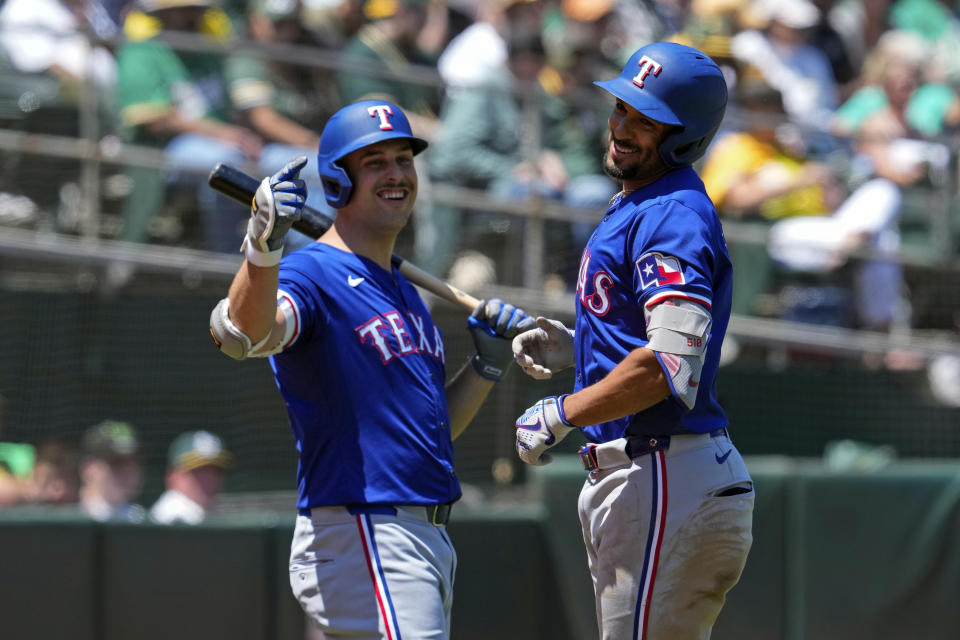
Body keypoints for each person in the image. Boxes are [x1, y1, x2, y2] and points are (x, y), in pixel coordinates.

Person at [208, 99, 533, 639]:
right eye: (375, 162)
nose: (397, 174)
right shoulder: (312, 274)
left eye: (404, 159)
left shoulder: (404, 291)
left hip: (418, 531)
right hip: (367, 525)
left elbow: (431, 436)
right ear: (338, 181)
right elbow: (245, 336)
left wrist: (485, 367)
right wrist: (263, 251)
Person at [510, 42, 755, 639]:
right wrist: (583, 346)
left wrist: (563, 410)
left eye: (646, 120)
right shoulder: (644, 202)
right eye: (622, 107)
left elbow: (668, 362)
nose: (622, 126)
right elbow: (651, 340)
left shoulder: (672, 213)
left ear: (686, 136)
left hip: (662, 470)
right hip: (657, 473)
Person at [114, 0, 264, 252]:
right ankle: (226, 260)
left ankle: (299, 263)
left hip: (230, 142)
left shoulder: (207, 50)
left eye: (196, 10)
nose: (192, 16)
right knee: (226, 167)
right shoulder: (143, 51)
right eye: (184, 11)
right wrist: (225, 134)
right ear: (164, 14)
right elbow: (153, 118)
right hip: (165, 150)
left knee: (300, 163)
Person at [150, 429, 232, 525]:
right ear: (173, 476)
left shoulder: (205, 515)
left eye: (216, 471)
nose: (209, 478)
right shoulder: (173, 516)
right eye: (199, 471)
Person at [78, 420, 146, 523]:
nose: (128, 471)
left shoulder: (141, 519)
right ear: (88, 469)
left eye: (134, 462)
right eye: (116, 463)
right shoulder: (63, 517)